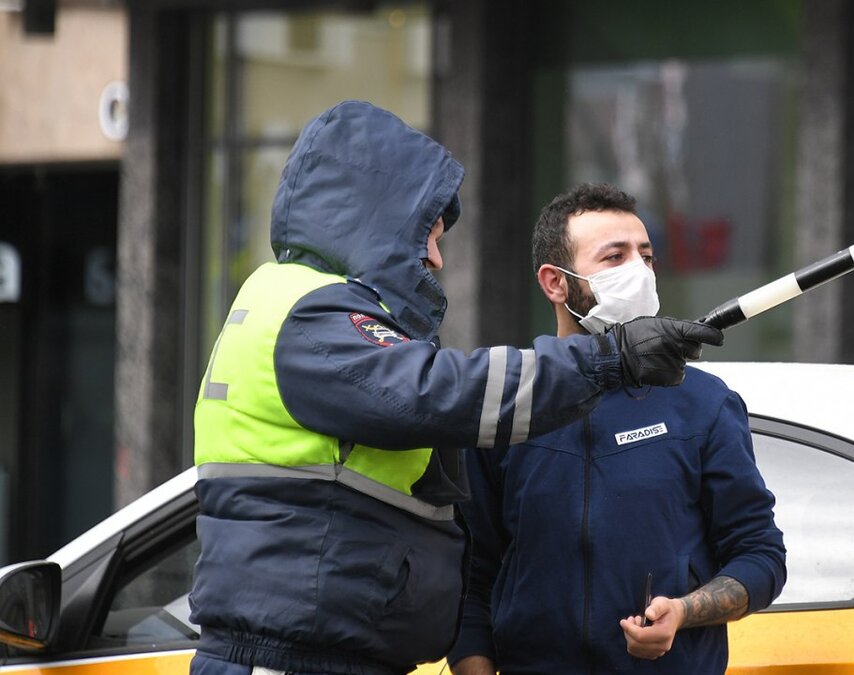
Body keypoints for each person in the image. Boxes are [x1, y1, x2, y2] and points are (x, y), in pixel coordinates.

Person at [187, 102, 723, 675]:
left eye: (645, 255)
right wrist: (608, 359)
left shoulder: (298, 302)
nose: (436, 259)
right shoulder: (311, 308)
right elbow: (435, 394)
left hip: (318, 650)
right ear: (377, 220)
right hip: (294, 657)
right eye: (428, 236)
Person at [448, 183, 786, 675]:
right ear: (555, 282)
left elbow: (761, 556)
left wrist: (685, 611)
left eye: (646, 256)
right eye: (615, 257)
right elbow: (471, 579)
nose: (639, 271)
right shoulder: (508, 402)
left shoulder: (703, 403)